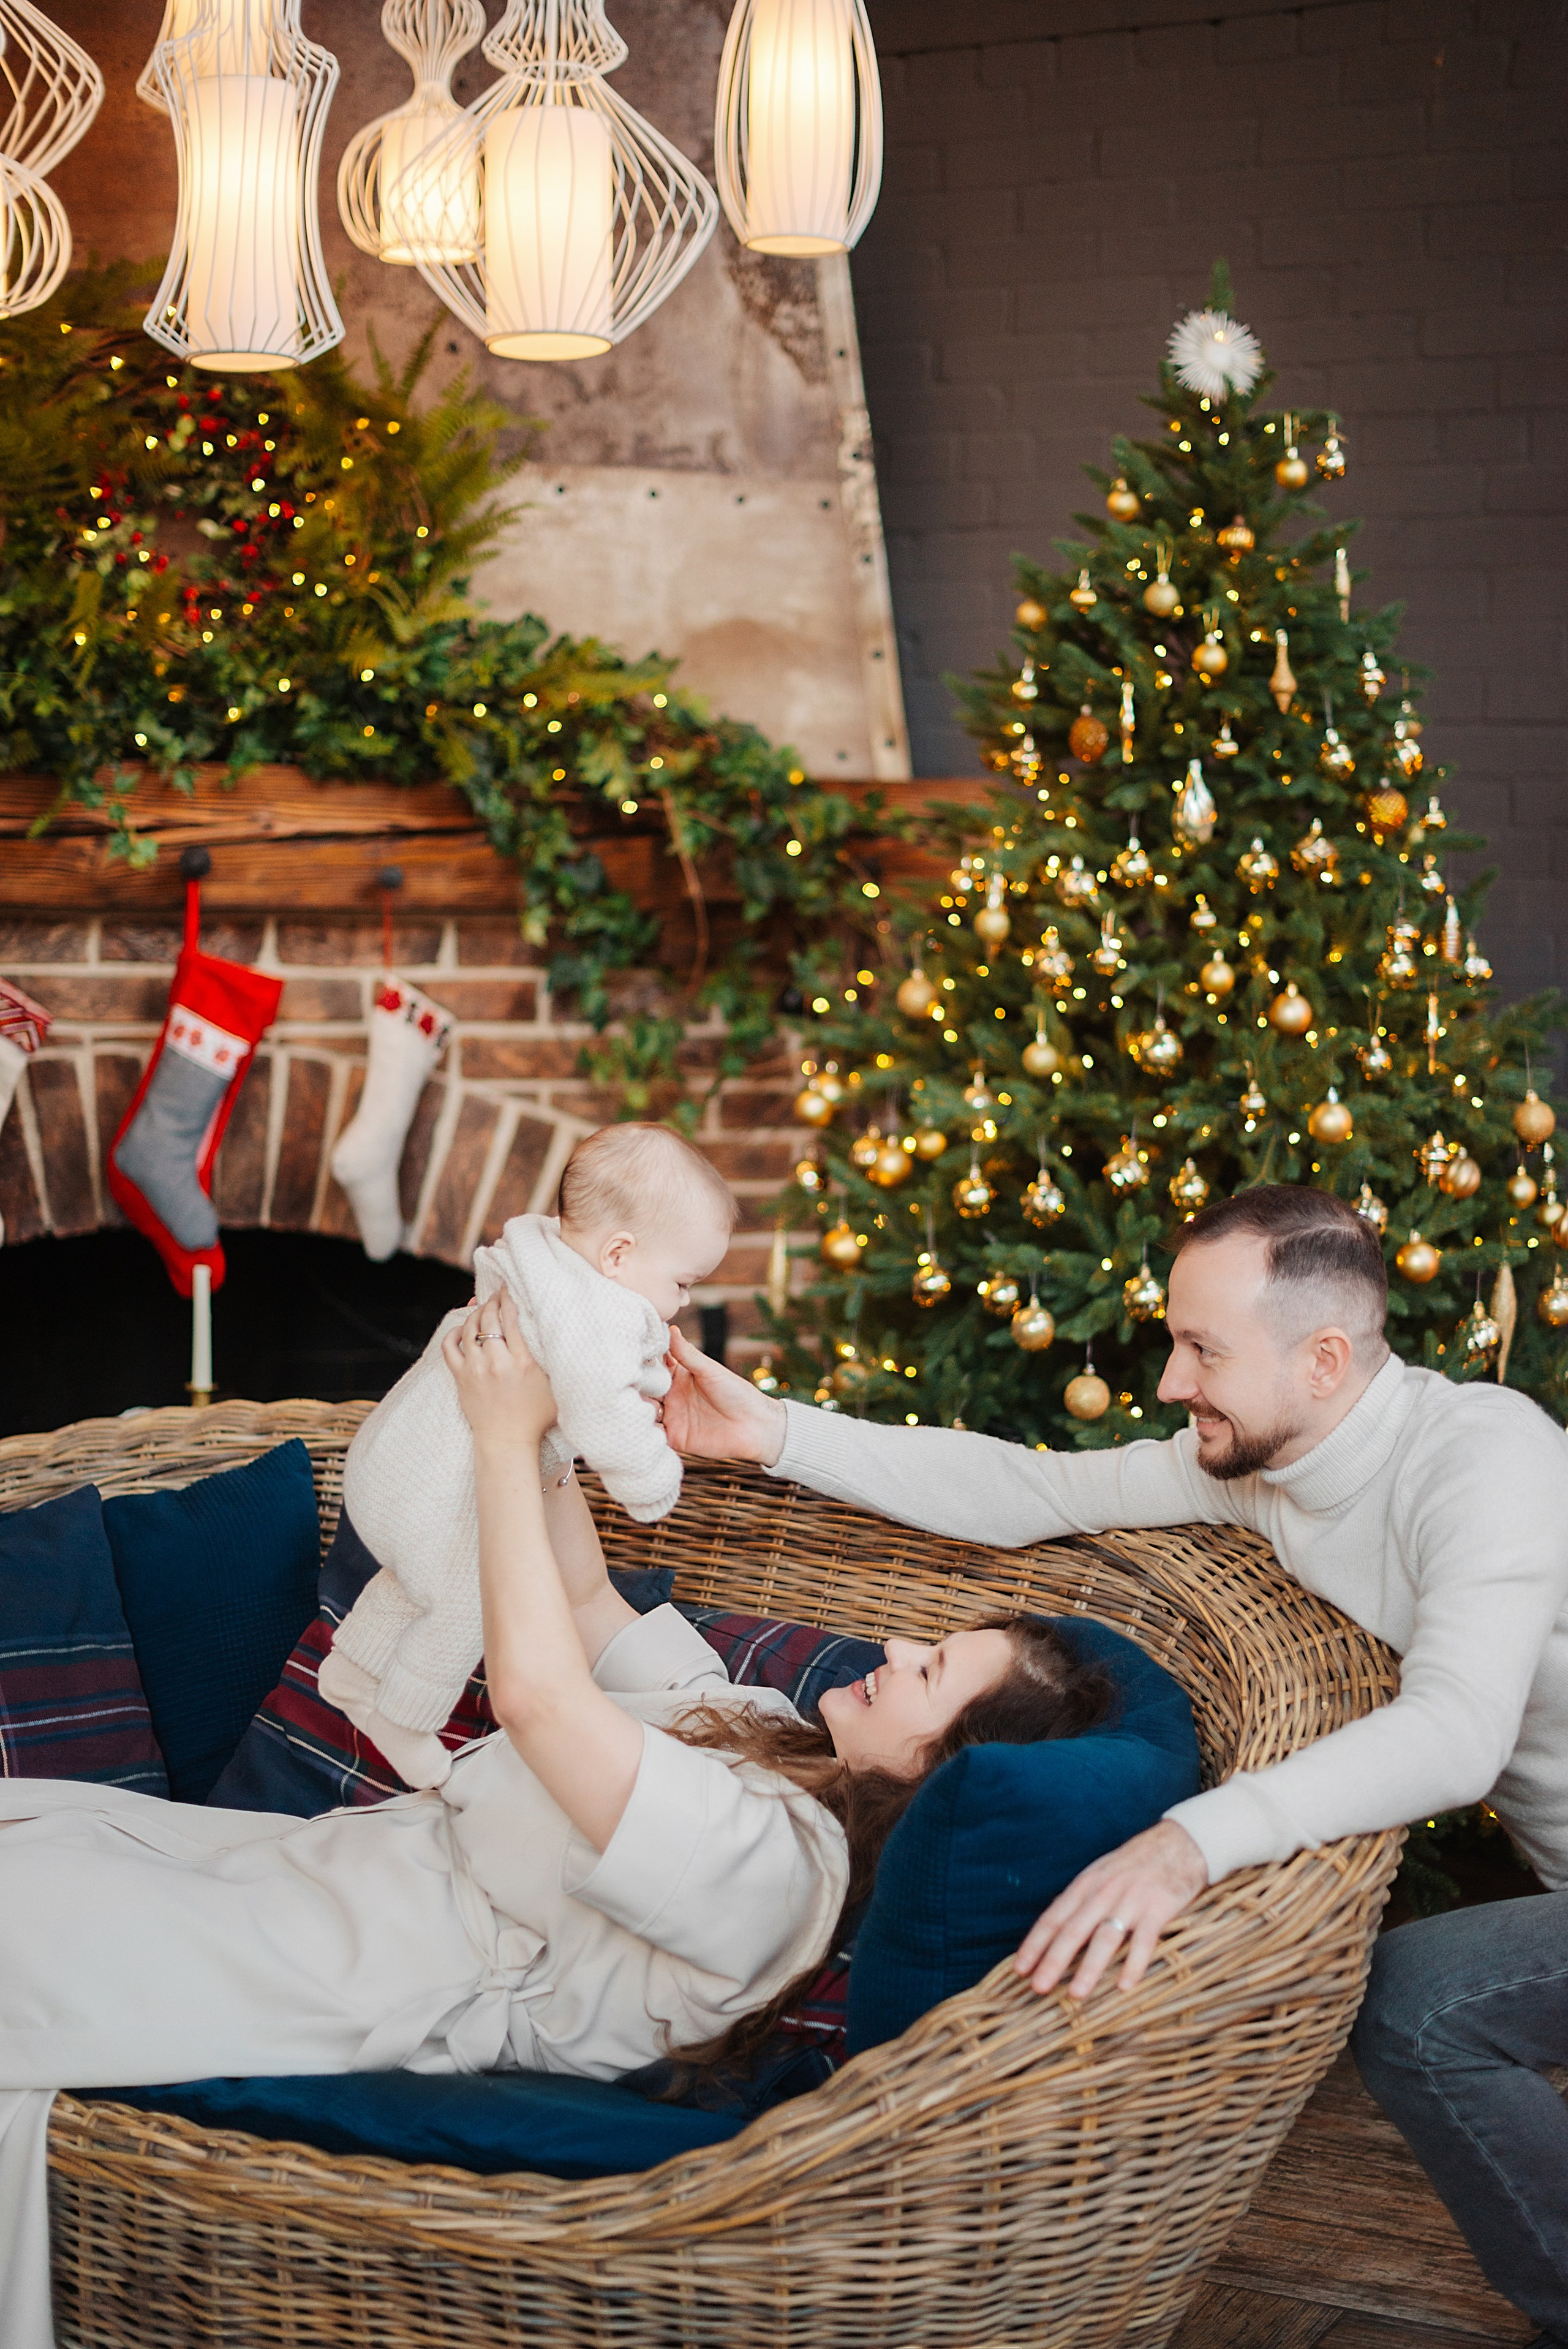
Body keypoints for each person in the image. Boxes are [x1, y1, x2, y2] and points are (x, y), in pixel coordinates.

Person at [0, 1288, 1113, 2349]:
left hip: (371, 1968)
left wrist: (496, 1442)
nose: (897, 1653)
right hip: (322, 1868)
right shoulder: (767, 1721)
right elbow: (589, 1606)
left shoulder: (780, 1876)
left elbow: (539, 1701)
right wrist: (544, 1418)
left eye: (932, 1674)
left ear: (942, 1767)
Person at [662, 1181, 1568, 2341]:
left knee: (1422, 2006)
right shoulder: (1266, 1467)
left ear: (1324, 1361)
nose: (1170, 1383)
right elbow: (1034, 1489)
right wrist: (775, 1434)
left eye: (1201, 1349)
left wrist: (1190, 1843)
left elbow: (1458, 1731)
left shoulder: (1483, 1456)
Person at [320, 1121, 737, 1789]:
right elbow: (601, 1406)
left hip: (392, 1465)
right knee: (470, 1598)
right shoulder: (601, 1309)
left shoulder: (542, 1255)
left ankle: (352, 1671)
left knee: (418, 1581)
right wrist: (650, 1479)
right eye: (683, 1282)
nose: (683, 1302)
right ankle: (404, 1713)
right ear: (620, 1254)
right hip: (437, 1484)